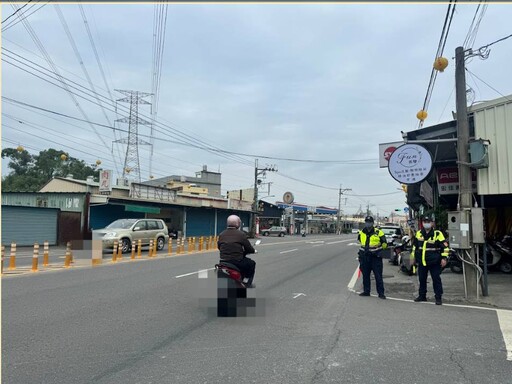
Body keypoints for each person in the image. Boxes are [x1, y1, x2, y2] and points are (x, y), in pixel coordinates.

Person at [411, 214, 450, 305]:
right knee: (422, 279)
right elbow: (414, 247)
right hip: (422, 261)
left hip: (434, 261)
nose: (426, 224)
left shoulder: (437, 234)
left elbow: (445, 248)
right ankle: (422, 296)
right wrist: (412, 258)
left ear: (432, 223)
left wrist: (444, 258)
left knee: (436, 279)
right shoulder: (419, 233)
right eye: (425, 222)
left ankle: (438, 297)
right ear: (422, 223)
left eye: (428, 222)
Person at [218, 215, 256, 288]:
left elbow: (219, 247)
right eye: (239, 222)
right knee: (252, 263)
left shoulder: (221, 234)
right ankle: (246, 283)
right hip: (237, 261)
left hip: (223, 261)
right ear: (237, 224)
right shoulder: (241, 234)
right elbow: (249, 249)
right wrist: (252, 251)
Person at [357, 216, 388, 299]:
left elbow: (384, 243)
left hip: (375, 258)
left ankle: (381, 293)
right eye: (366, 221)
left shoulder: (379, 232)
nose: (368, 223)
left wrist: (381, 249)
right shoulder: (361, 232)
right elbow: (360, 241)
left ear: (372, 223)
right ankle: (366, 291)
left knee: (378, 276)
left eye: (369, 222)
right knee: (366, 275)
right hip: (365, 257)